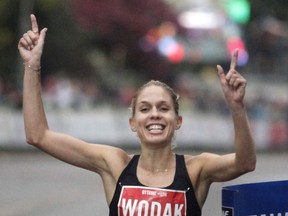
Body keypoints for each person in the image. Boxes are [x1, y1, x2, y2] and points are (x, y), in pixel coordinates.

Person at [18, 14, 256, 215]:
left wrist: (237, 107)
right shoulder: (115, 164)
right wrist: (32, 65)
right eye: (145, 109)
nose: (154, 115)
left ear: (178, 121)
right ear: (133, 123)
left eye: (164, 108)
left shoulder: (197, 169)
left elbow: (245, 163)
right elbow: (38, 135)